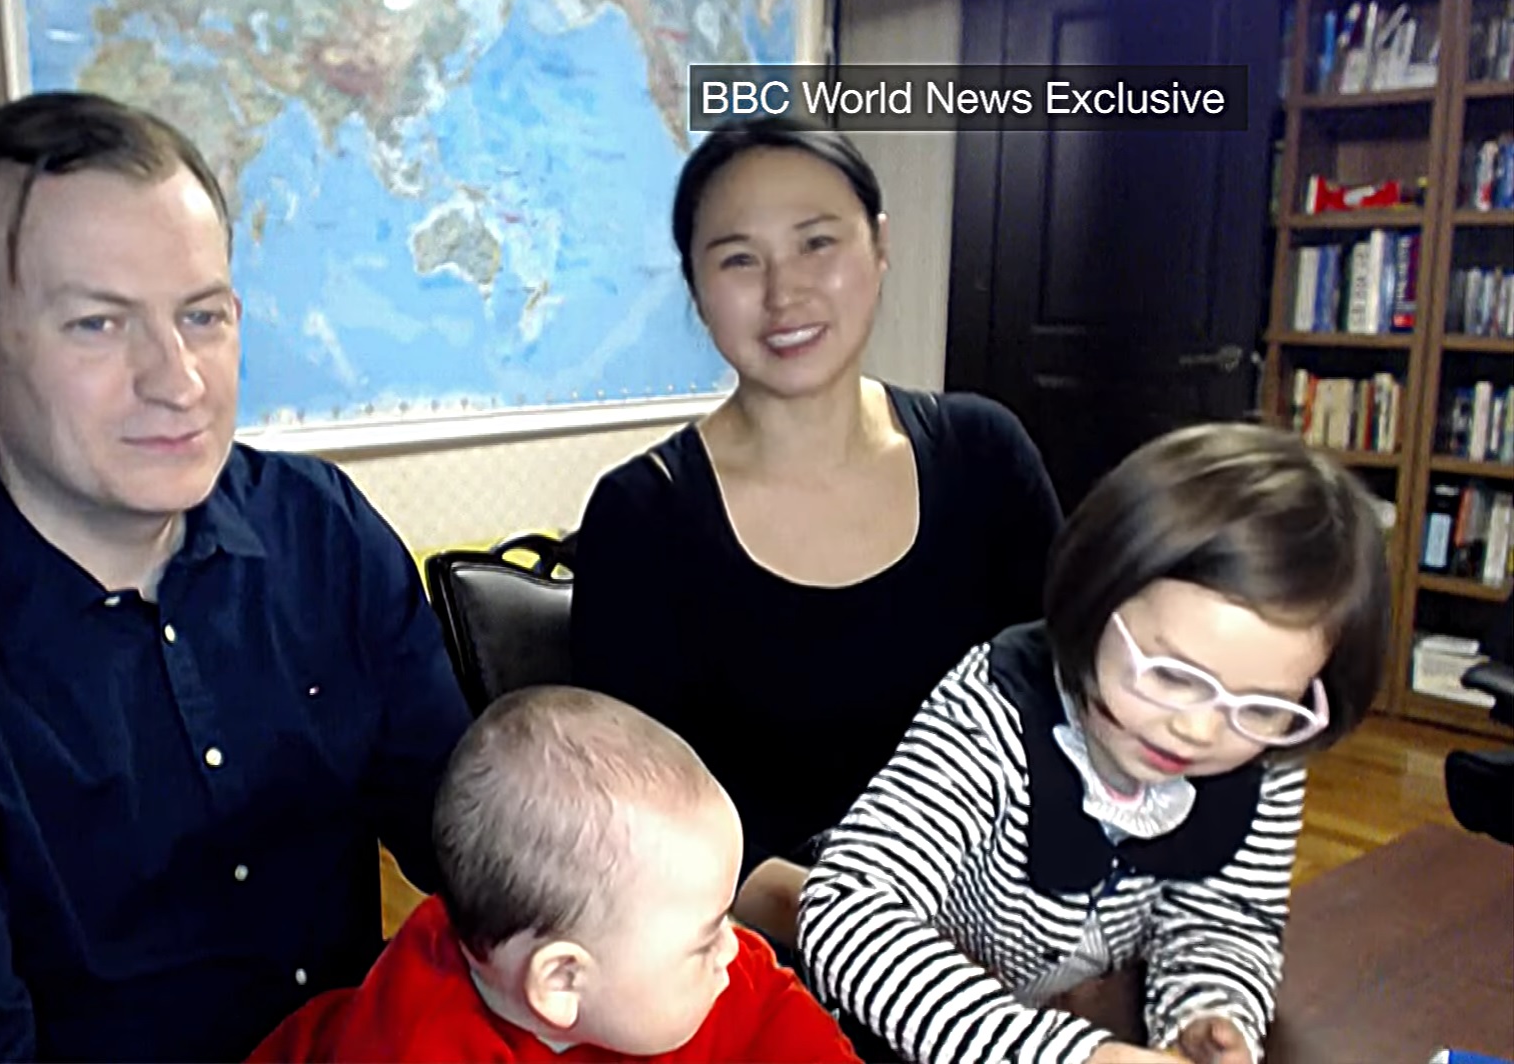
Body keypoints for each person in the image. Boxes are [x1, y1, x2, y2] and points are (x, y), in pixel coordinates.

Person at [0, 92, 472, 1061]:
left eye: (202, 316)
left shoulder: (322, 530)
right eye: (97, 324)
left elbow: (471, 840)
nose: (177, 381)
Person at [568, 116, 1063, 943]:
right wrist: (856, 930)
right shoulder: (642, 514)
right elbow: (646, 808)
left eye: (817, 243)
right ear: (695, 287)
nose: (784, 292)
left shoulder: (984, 454)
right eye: (739, 259)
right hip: (767, 947)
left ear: (880, 245)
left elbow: (1068, 705)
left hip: (1016, 918)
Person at [798, 423, 1392, 1064]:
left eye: (1264, 706)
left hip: (1064, 1016)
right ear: (1096, 596)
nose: (1199, 731)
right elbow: (843, 911)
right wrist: (1077, 1057)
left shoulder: (1260, 750)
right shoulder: (991, 716)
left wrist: (1209, 1013)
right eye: (1171, 675)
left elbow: (1225, 918)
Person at [247, 685, 861, 1063]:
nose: (734, 949)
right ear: (563, 979)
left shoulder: (688, 969)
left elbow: (773, 1012)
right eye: (705, 939)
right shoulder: (416, 1045)